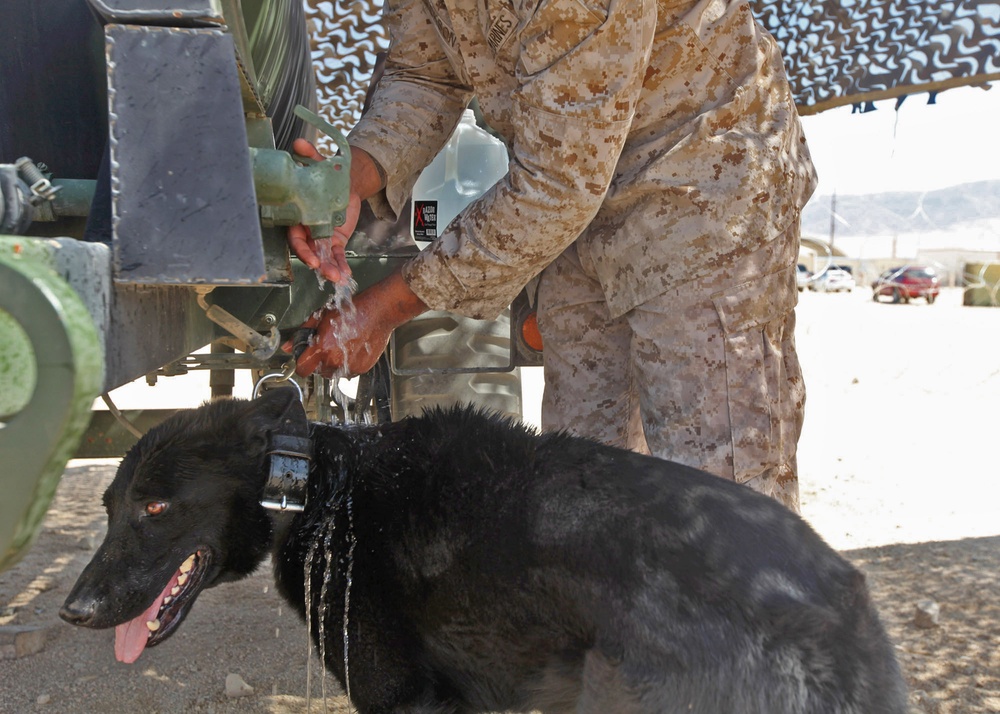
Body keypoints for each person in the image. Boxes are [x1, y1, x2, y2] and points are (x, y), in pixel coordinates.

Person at [286, 0, 817, 511]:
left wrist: (381, 310)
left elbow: (556, 187)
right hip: (576, 209)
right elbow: (425, 72)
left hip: (698, 190)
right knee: (581, 486)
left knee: (716, 495)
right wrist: (351, 178)